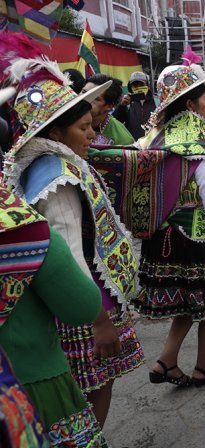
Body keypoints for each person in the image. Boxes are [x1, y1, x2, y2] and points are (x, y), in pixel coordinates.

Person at [1, 39, 143, 428]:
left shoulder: (38, 164)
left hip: (74, 300)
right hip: (84, 304)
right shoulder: (58, 178)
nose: (90, 135)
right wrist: (97, 319)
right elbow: (69, 250)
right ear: (56, 133)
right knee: (95, 387)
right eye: (83, 128)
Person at [99, 63, 205, 388]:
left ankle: (166, 361)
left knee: (186, 300)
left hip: (160, 235)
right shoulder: (197, 136)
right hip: (195, 237)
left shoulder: (155, 134)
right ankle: (204, 367)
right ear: (190, 104)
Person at [0, 181, 107, 447]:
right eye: (84, 133)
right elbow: (81, 307)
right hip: (34, 386)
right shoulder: (21, 227)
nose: (91, 136)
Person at [83, 74, 134, 146]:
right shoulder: (64, 120)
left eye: (95, 98)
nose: (84, 99)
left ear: (109, 106)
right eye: (83, 92)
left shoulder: (123, 141)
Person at [113, 71, 156, 140]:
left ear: (147, 85)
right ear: (131, 87)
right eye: (135, 85)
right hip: (133, 145)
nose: (138, 87)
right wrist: (121, 106)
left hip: (153, 143)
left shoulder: (157, 102)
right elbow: (116, 122)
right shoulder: (126, 103)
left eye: (141, 84)